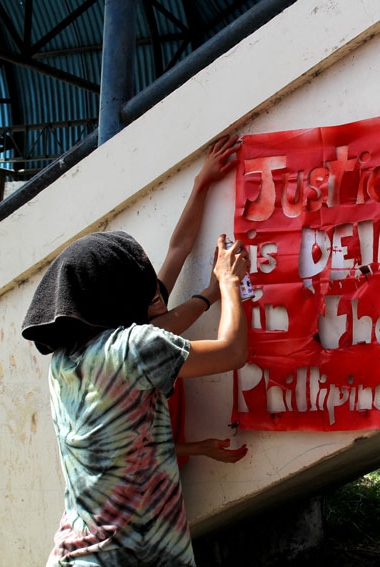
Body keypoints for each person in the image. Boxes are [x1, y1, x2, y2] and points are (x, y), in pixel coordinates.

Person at [22, 230, 249, 567]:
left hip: (75, 555)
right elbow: (232, 352)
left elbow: (125, 451)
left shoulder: (63, 363)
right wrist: (228, 282)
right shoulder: (133, 348)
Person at [146, 135, 247, 466]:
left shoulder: (150, 306)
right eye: (146, 299)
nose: (157, 296)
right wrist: (226, 283)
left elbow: (178, 249)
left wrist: (201, 183)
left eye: (153, 288)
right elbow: (231, 352)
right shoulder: (144, 353)